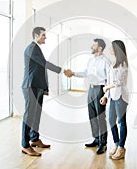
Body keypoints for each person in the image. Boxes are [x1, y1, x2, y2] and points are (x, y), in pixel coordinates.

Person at [21, 27, 63, 156]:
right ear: (36, 35)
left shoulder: (37, 48)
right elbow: (44, 63)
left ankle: (34, 139)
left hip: (37, 86)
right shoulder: (32, 48)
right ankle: (25, 145)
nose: (45, 37)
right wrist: (61, 70)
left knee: (36, 113)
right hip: (30, 86)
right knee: (29, 115)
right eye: (43, 35)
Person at [64, 38, 110, 154]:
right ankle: (96, 139)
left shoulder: (106, 61)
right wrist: (73, 73)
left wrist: (106, 95)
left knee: (100, 117)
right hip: (91, 89)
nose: (91, 47)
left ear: (100, 48)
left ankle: (103, 143)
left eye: (93, 45)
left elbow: (109, 81)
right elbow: (86, 73)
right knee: (92, 116)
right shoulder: (91, 60)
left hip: (100, 89)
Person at [100, 40, 129, 160]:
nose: (110, 50)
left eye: (112, 48)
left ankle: (121, 148)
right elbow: (109, 80)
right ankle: (116, 144)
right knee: (111, 121)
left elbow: (118, 82)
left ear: (117, 49)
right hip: (112, 96)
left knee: (121, 122)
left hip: (121, 97)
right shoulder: (113, 64)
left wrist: (106, 87)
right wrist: (105, 96)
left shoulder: (123, 64)